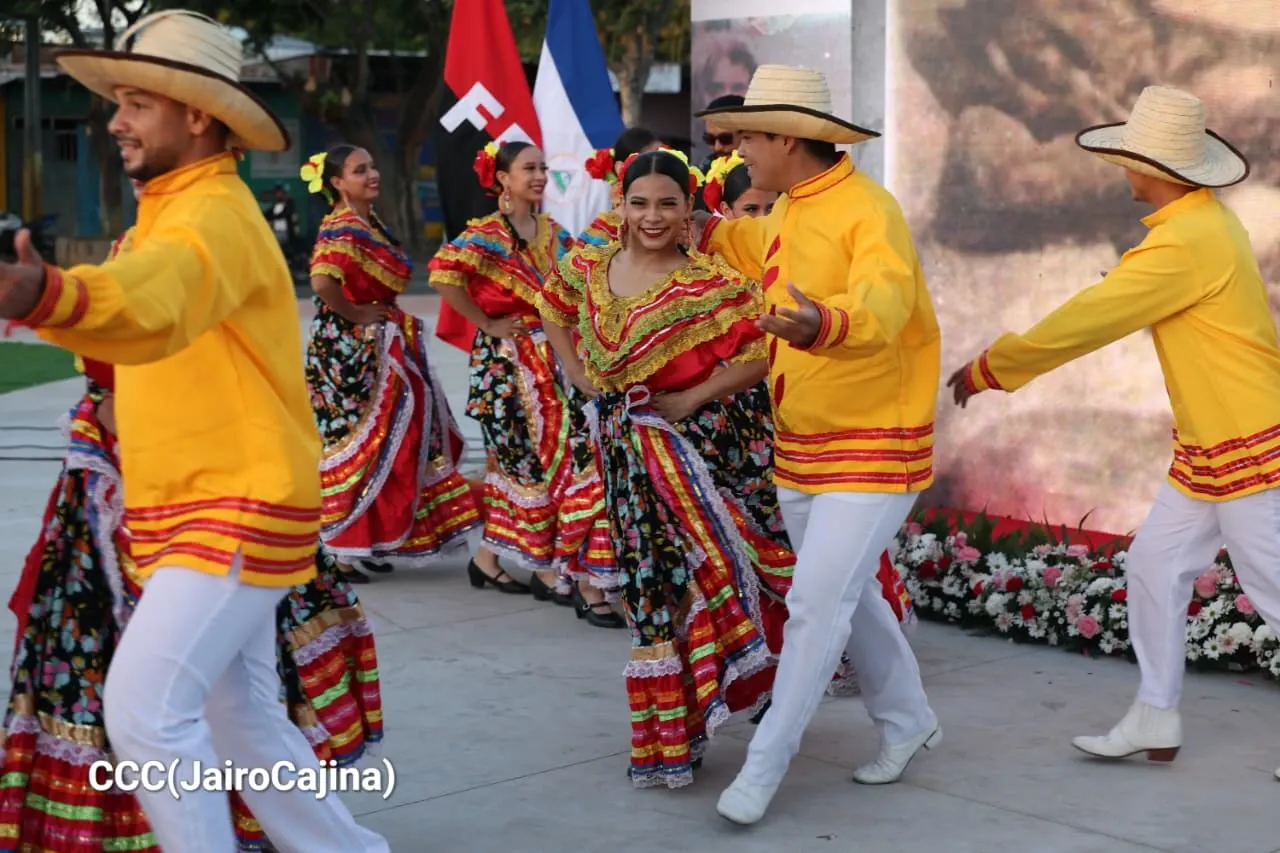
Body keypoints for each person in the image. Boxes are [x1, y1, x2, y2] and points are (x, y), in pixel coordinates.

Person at [0, 11, 388, 850]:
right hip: (206, 498)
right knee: (239, 715)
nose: (115, 120)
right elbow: (137, 314)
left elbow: (149, 302)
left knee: (144, 714)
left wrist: (39, 294)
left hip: (233, 499)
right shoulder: (173, 211)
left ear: (197, 114)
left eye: (136, 102)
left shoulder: (208, 212)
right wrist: (53, 301)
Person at [947, 85, 1280, 776]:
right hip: (1216, 444)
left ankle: (1157, 712)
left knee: (1272, 584)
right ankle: (1156, 714)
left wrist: (992, 367)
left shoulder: (1185, 244)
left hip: (1248, 441)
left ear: (1154, 167)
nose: (1122, 166)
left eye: (1130, 155)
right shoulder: (1202, 228)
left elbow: (1088, 318)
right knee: (1155, 562)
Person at [0, 351, 383, 850]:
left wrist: (48, 298)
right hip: (169, 491)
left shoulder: (194, 279)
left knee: (151, 713)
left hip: (206, 501)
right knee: (232, 705)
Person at [693, 65, 941, 825]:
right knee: (847, 594)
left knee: (812, 605)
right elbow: (752, 242)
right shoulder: (795, 206)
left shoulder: (871, 210)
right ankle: (908, 721)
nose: (737, 153)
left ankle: (764, 768)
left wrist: (823, 324)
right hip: (803, 442)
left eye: (747, 139)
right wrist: (688, 228)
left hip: (875, 439)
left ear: (788, 139)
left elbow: (884, 299)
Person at [538, 148, 794, 788]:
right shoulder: (590, 269)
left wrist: (694, 397)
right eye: (640, 203)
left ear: (689, 212)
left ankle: (743, 694)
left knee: (707, 578)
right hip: (626, 457)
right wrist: (574, 371)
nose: (652, 216)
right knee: (649, 587)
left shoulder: (710, 283)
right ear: (620, 207)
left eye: (667, 204)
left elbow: (765, 353)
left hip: (698, 458)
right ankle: (672, 735)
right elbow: (550, 306)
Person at [303, 143, 480, 583]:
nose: (372, 174)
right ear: (337, 183)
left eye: (372, 166)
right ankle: (342, 550)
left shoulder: (369, 222)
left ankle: (369, 541)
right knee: (359, 446)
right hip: (352, 351)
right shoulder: (341, 226)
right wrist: (358, 314)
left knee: (394, 444)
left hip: (379, 345)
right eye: (360, 170)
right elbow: (323, 281)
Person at [427, 141, 579, 607]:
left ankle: (490, 558)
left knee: (551, 455)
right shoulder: (486, 234)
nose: (539, 175)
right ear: (503, 179)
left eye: (542, 168)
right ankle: (543, 565)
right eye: (529, 168)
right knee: (523, 460)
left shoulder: (552, 232)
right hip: (505, 366)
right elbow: (443, 275)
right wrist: (487, 322)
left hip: (548, 358)